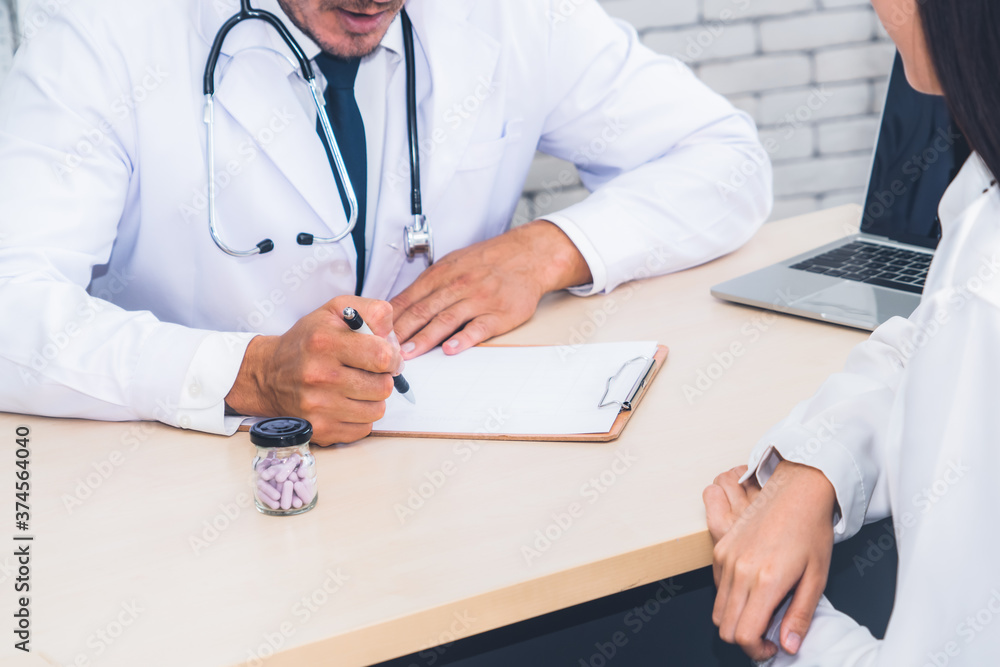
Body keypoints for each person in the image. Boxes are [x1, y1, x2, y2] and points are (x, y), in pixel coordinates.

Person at [0, 0, 771, 445]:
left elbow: (726, 160)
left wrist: (552, 249)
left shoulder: (512, 14)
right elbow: (12, 303)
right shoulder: (102, 29)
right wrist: (250, 372)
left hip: (437, 476)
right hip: (192, 474)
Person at [703, 0, 1000, 663]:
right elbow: (923, 343)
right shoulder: (982, 193)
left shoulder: (988, 277)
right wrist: (814, 468)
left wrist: (784, 623)